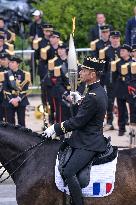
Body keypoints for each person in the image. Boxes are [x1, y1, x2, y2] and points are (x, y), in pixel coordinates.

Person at [42, 56, 107, 205]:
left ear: (92, 74)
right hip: (86, 137)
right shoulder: (95, 91)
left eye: (84, 70)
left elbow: (78, 121)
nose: (81, 73)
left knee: (68, 172)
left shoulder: (93, 95)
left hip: (89, 142)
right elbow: (89, 110)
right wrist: (80, 100)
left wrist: (56, 128)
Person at [112, 44, 135, 136]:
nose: (121, 52)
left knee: (133, 110)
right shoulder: (117, 63)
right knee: (121, 110)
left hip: (131, 89)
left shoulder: (133, 62)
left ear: (129, 53)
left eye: (123, 51)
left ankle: (133, 129)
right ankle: (121, 128)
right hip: (120, 88)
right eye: (121, 51)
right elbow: (113, 77)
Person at [3, 56, 31, 127]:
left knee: (21, 122)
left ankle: (22, 138)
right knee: (9, 123)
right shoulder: (6, 74)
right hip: (10, 100)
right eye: (9, 62)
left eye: (12, 62)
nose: (10, 64)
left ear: (17, 64)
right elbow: (5, 88)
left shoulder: (24, 74)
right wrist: (12, 99)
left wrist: (18, 99)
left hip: (21, 100)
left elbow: (25, 89)